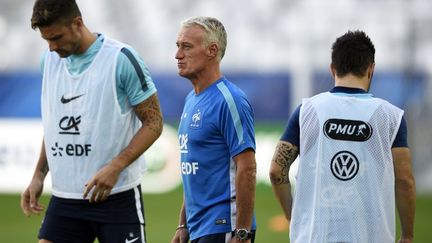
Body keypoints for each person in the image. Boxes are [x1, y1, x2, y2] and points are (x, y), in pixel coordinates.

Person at [20, 0, 163, 242]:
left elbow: (154, 123)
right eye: (46, 40)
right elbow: (56, 126)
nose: (52, 47)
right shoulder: (49, 61)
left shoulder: (122, 59)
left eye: (56, 37)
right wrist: (38, 175)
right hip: (65, 199)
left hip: (116, 197)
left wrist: (115, 167)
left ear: (77, 23)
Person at [269, 30, 416, 243]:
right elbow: (405, 181)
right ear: (371, 69)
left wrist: (293, 216)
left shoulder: (306, 111)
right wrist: (408, 236)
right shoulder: (391, 117)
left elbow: (276, 171)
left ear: (333, 68)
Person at [171, 17, 257, 243]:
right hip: (199, 226)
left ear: (212, 50)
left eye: (186, 47)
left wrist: (243, 232)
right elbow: (195, 170)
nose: (178, 55)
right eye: (178, 46)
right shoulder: (192, 99)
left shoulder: (230, 100)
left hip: (224, 225)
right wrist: (183, 223)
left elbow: (247, 167)